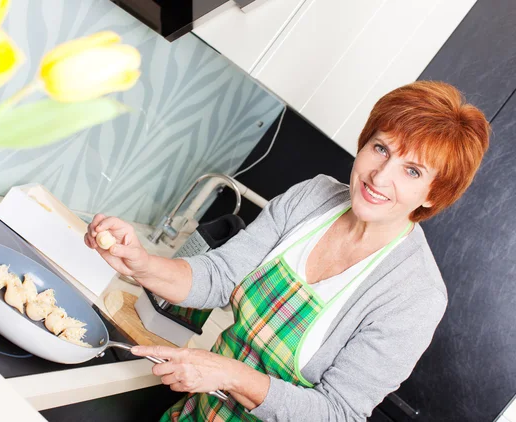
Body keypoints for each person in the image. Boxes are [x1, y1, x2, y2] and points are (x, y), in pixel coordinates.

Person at [84, 81, 490, 421]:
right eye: (381, 148)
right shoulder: (314, 197)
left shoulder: (414, 296)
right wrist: (141, 263)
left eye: (412, 170)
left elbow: (337, 412)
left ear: (433, 194)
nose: (380, 176)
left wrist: (231, 375)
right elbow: (220, 277)